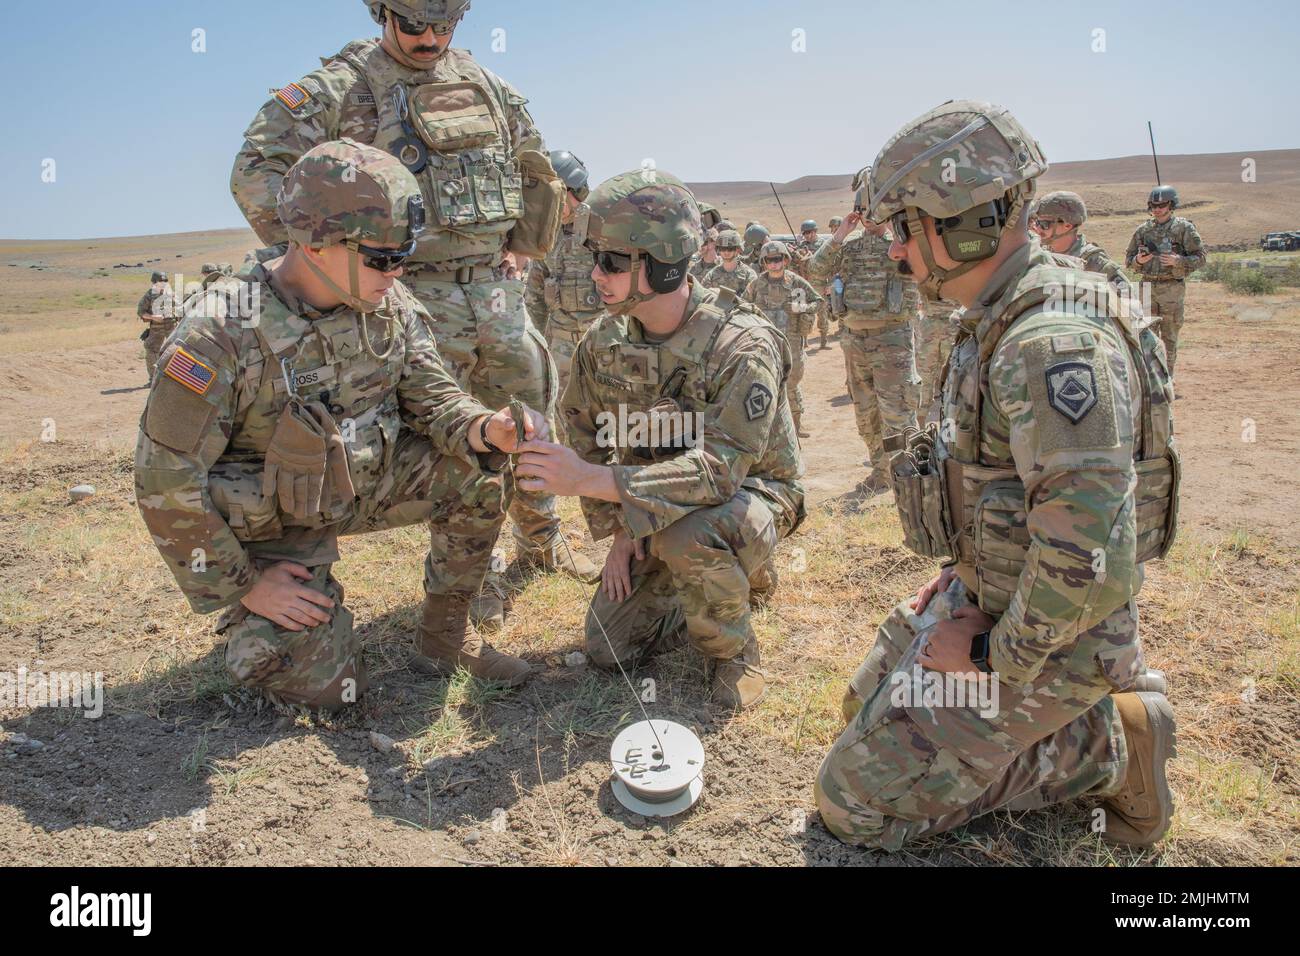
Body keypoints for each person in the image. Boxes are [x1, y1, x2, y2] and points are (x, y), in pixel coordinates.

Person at [814, 100, 1180, 851]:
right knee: (859, 709)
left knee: (853, 804)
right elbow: (1003, 486)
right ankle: (1055, 719)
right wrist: (963, 573)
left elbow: (1090, 562)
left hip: (1056, 637)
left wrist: (989, 656)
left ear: (959, 224)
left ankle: (1112, 747)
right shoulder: (999, 313)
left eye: (902, 232)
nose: (894, 255)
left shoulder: (1051, 343)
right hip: (999, 600)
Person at [228, 0, 597, 637]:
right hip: (406, 295)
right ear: (383, 15)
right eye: (415, 26)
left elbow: (535, 167)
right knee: (444, 443)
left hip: (496, 293)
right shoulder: (338, 88)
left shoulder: (485, 85)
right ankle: (465, 584)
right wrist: (330, 263)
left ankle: (541, 543)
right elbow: (256, 174)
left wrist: (522, 245)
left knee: (527, 420)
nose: (430, 39)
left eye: (445, 26)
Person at [137, 140, 550, 706]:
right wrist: (247, 584)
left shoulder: (391, 303)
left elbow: (433, 401)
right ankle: (255, 618)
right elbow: (165, 477)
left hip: (365, 482)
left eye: (404, 254)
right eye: (381, 258)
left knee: (479, 471)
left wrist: (487, 430)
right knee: (328, 692)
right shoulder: (221, 333)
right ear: (312, 241)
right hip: (277, 520)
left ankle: (445, 638)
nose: (397, 271)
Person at [515, 169, 806, 711]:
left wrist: (600, 485)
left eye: (612, 262)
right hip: (654, 502)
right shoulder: (602, 341)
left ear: (664, 264)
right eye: (594, 257)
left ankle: (732, 649)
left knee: (689, 537)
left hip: (753, 493)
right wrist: (623, 528)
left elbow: (720, 471)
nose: (595, 275)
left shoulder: (740, 343)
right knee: (610, 651)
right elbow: (585, 432)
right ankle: (704, 575)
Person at [805, 166, 919, 493]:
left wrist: (894, 232)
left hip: (892, 338)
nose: (870, 220)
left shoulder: (900, 245)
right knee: (865, 412)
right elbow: (815, 273)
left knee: (897, 411)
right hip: (853, 339)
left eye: (876, 214)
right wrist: (840, 234)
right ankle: (881, 474)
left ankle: (906, 478)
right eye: (865, 213)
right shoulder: (849, 247)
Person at [525, 150, 605, 396]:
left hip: (603, 340)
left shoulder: (606, 226)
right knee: (562, 410)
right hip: (560, 344)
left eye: (556, 198)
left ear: (573, 189)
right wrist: (533, 347)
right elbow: (535, 293)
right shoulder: (548, 233)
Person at [743, 240, 822, 438]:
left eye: (777, 259)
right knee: (763, 383)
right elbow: (743, 306)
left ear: (785, 260)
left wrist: (802, 308)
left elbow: (818, 301)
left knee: (792, 383)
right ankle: (768, 430)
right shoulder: (757, 284)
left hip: (792, 342)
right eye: (769, 260)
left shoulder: (795, 282)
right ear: (764, 262)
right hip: (765, 341)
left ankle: (796, 426)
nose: (774, 264)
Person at [1125, 186, 1205, 377]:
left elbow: (1201, 258)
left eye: (1162, 205)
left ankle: (1166, 381)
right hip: (1146, 286)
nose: (1157, 209)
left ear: (1171, 205)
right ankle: (1149, 382)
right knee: (1144, 336)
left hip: (1171, 288)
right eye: (1154, 205)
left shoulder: (1184, 228)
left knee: (1169, 338)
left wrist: (1179, 261)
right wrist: (1138, 261)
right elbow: (1128, 261)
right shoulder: (1143, 230)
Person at [791, 219, 833, 350]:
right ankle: (803, 341)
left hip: (819, 284)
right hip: (803, 284)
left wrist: (830, 284)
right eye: (805, 233)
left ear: (815, 231)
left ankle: (824, 341)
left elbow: (831, 265)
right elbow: (793, 266)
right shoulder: (800, 246)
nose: (807, 235)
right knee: (802, 313)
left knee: (822, 312)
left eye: (810, 232)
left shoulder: (824, 246)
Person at [137, 271, 179, 380]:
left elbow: (181, 308)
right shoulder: (149, 295)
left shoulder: (172, 294)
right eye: (160, 281)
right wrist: (153, 317)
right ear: (154, 282)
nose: (163, 283)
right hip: (157, 327)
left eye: (165, 281)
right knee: (151, 349)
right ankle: (154, 378)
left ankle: (177, 378)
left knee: (177, 350)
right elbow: (141, 312)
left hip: (173, 326)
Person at [702, 230, 757, 296]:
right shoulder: (711, 275)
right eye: (723, 248)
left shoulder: (749, 275)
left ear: (737, 250)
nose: (726, 252)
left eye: (730, 248)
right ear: (718, 250)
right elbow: (704, 297)